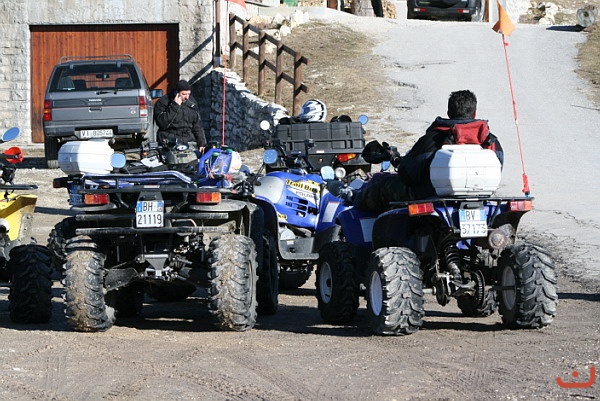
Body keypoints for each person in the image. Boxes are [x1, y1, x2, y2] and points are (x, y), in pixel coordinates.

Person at [341, 89, 504, 212]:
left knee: (379, 188)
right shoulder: (490, 140)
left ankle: (361, 236)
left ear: (448, 112)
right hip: (479, 197)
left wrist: (399, 163)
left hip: (429, 195)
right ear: (474, 113)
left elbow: (408, 174)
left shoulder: (434, 139)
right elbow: (499, 165)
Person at [154, 79, 207, 151]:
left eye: (188, 94)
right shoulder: (163, 102)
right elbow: (162, 123)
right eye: (184, 94)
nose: (187, 97)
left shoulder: (192, 103)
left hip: (187, 142)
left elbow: (197, 125)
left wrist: (202, 143)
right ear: (177, 93)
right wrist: (175, 106)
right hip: (169, 142)